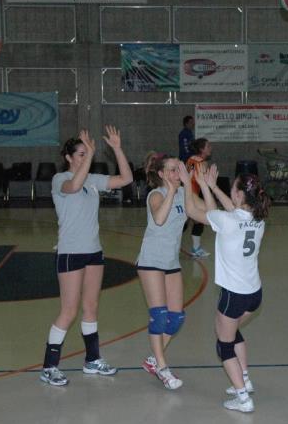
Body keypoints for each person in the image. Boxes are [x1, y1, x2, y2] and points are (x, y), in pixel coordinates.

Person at [39, 126, 133, 386]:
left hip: (93, 252)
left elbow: (126, 179)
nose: (85, 157)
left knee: (91, 308)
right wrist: (91, 155)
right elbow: (74, 185)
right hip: (70, 252)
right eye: (80, 154)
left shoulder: (92, 179)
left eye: (86, 153)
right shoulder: (60, 179)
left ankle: (92, 359)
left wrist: (117, 149)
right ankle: (49, 366)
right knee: (68, 311)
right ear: (69, 157)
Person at [178, 162, 270, 413]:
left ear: (239, 195)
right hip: (254, 294)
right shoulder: (258, 218)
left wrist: (188, 184)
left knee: (223, 343)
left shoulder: (227, 221)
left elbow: (193, 210)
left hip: (234, 295)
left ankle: (243, 398)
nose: (229, 192)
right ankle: (245, 379)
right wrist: (211, 187)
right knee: (233, 331)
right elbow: (226, 212)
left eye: (232, 189)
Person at [136, 156, 202, 390]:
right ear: (162, 174)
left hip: (171, 263)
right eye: (173, 170)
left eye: (179, 169)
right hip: (151, 261)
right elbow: (159, 218)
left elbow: (206, 214)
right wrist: (173, 191)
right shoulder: (156, 195)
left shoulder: (184, 193)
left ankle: (153, 359)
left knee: (176, 318)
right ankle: (162, 369)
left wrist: (202, 186)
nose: (178, 173)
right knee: (160, 315)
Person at [184, 138, 212, 258]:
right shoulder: (202, 163)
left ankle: (170, 244)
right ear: (202, 149)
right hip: (193, 194)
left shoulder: (190, 159)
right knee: (199, 220)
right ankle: (196, 249)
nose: (210, 148)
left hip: (185, 192)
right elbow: (205, 183)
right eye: (208, 146)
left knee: (184, 221)